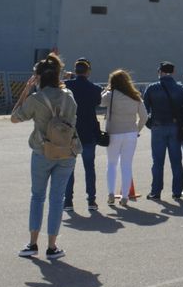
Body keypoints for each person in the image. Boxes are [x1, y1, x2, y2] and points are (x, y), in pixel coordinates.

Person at [10, 53, 78, 260]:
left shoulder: (36, 99)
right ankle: (52, 246)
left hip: (42, 151)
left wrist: (26, 90)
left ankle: (32, 243)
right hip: (67, 151)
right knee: (57, 199)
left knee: (37, 197)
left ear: (38, 77)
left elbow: (15, 117)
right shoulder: (69, 96)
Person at [143, 61, 183, 200]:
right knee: (176, 161)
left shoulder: (151, 88)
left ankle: (156, 192)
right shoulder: (181, 88)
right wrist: (182, 122)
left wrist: (150, 123)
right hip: (175, 127)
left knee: (157, 162)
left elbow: (144, 110)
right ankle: (177, 192)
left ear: (160, 72)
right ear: (173, 72)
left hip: (158, 127)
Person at [101, 69, 146, 206]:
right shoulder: (135, 96)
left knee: (112, 164)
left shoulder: (110, 95)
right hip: (130, 133)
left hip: (114, 132)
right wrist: (137, 130)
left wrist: (106, 90)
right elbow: (144, 116)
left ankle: (110, 193)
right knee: (126, 165)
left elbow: (101, 102)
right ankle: (125, 196)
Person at [62, 58, 101, 210]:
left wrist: (67, 79)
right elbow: (97, 102)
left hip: (70, 132)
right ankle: (91, 200)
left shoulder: (67, 86)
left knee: (69, 169)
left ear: (75, 71)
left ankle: (68, 201)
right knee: (89, 168)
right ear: (88, 72)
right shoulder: (95, 88)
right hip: (89, 132)